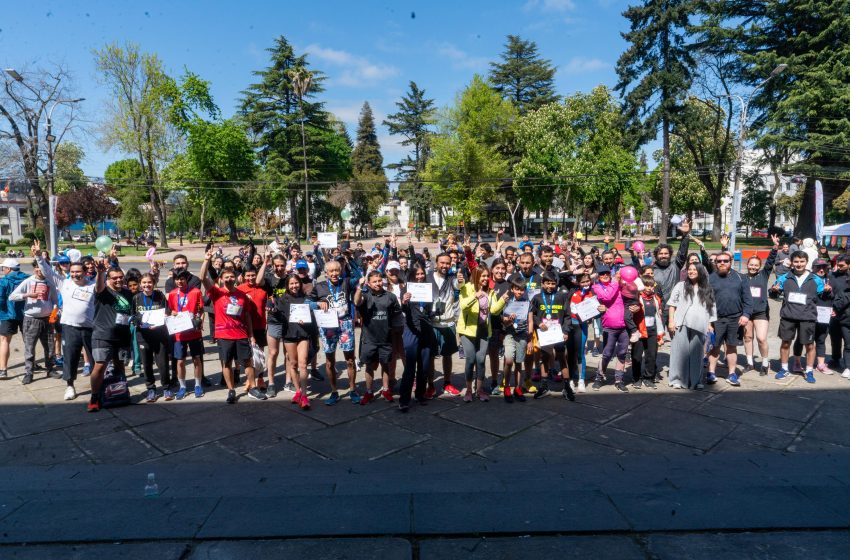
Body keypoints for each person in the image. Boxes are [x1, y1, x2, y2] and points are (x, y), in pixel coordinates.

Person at [200, 249, 265, 403]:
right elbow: (202, 278)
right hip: (224, 335)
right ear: (221, 279)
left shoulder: (242, 295)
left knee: (248, 362)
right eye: (226, 277)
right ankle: (231, 390)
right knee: (227, 363)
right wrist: (206, 260)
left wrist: (251, 335)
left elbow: (247, 316)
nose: (229, 279)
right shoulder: (217, 293)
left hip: (241, 334)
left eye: (231, 276)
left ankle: (253, 387)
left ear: (236, 278)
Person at [35, 241, 97, 401]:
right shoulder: (65, 283)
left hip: (90, 328)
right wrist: (38, 256)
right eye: (73, 271)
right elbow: (48, 272)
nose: (75, 274)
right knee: (70, 357)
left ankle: (97, 385)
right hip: (70, 328)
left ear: (86, 272)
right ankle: (70, 386)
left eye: (79, 272)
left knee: (96, 358)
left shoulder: (92, 286)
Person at [771, 251, 825, 383]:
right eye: (796, 261)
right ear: (791, 262)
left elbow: (823, 297)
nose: (799, 264)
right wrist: (774, 291)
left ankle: (809, 371)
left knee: (809, 345)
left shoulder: (816, 279)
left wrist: (828, 292)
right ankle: (784, 369)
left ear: (806, 262)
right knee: (785, 343)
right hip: (788, 316)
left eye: (801, 261)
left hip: (808, 317)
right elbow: (774, 293)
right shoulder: (784, 277)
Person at [457, 265, 508, 402]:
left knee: (480, 360)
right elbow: (463, 306)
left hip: (484, 330)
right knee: (470, 359)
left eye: (487, 276)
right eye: (483, 276)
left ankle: (479, 390)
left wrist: (503, 299)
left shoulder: (491, 291)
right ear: (476, 276)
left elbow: (495, 310)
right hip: (467, 330)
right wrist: (475, 296)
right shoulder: (467, 287)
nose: (486, 279)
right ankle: (469, 389)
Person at [312, 259, 359, 405]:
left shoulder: (345, 282)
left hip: (344, 323)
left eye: (336, 270)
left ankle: (352, 390)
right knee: (329, 361)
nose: (334, 273)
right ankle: (334, 392)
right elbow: (307, 302)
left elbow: (358, 276)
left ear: (341, 271)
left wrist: (350, 260)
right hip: (328, 326)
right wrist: (317, 303)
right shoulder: (319, 286)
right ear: (326, 273)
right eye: (331, 271)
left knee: (350, 359)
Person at [87, 259, 132, 412]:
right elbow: (99, 287)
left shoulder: (127, 293)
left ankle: (120, 392)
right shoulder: (103, 291)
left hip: (122, 336)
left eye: (121, 277)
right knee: (100, 366)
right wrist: (100, 273)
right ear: (108, 279)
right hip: (103, 335)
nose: (119, 280)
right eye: (114, 278)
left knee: (120, 365)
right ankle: (94, 397)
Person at [354, 270, 402, 405]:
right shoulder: (365, 295)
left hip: (385, 338)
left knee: (385, 365)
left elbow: (396, 312)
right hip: (369, 339)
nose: (377, 283)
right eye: (374, 281)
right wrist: (359, 287)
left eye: (379, 281)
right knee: (369, 366)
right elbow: (357, 302)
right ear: (368, 283)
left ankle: (386, 389)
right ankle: (369, 392)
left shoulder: (390, 296)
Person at [667, 264, 717, 389]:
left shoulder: (707, 288)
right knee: (679, 352)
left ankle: (696, 381)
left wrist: (710, 324)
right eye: (689, 269)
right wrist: (671, 321)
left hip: (700, 325)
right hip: (681, 324)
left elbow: (711, 307)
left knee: (697, 354)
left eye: (694, 270)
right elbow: (672, 304)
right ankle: (677, 379)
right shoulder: (680, 285)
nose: (691, 272)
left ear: (700, 272)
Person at [706, 251, 752, 386]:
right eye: (719, 261)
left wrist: (746, 315)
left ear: (730, 262)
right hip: (716, 319)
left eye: (725, 261)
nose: (722, 263)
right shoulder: (710, 278)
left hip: (735, 319)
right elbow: (706, 301)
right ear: (715, 263)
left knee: (731, 347)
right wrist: (708, 321)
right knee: (714, 347)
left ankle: (732, 374)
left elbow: (748, 299)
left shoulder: (741, 277)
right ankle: (711, 373)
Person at [8, 260, 57, 384]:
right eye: (37, 268)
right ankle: (29, 373)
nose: (39, 271)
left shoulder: (50, 282)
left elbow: (55, 301)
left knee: (50, 347)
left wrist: (55, 314)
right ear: (34, 268)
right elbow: (12, 296)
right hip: (31, 319)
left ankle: (50, 369)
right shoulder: (28, 281)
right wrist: (28, 294)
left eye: (42, 268)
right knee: (30, 348)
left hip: (47, 319)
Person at [529, 271, 574, 400]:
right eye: (547, 283)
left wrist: (566, 331)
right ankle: (544, 386)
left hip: (558, 333)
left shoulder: (561, 296)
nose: (550, 286)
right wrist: (538, 323)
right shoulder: (537, 298)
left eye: (553, 283)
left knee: (561, 357)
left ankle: (567, 387)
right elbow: (534, 315)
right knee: (545, 358)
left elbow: (567, 315)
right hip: (544, 334)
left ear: (556, 284)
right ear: (542, 284)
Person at [397, 263, 436, 411]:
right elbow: (404, 309)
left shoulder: (427, 289)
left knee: (424, 366)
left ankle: (420, 394)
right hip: (411, 330)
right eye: (417, 274)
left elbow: (428, 312)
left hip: (426, 329)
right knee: (410, 367)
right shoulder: (406, 290)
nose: (420, 277)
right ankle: (404, 399)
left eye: (422, 274)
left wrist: (436, 312)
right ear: (412, 275)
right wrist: (404, 302)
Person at [278, 274, 318, 409]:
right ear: (287, 286)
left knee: (302, 363)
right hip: (289, 335)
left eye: (296, 283)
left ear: (300, 284)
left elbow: (313, 316)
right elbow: (278, 316)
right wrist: (271, 308)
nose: (294, 286)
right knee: (293, 364)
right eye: (291, 284)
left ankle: (305, 396)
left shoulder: (306, 299)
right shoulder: (283, 299)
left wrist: (306, 320)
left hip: (303, 334)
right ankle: (298, 391)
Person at [166, 268, 205, 399]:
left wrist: (200, 322)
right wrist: (173, 313)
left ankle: (198, 384)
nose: (179, 281)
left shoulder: (196, 292)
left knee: (196, 359)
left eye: (182, 279)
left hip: (194, 332)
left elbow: (201, 311)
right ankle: (182, 386)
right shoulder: (172, 294)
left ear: (187, 279)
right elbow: (169, 311)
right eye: (177, 279)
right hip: (179, 333)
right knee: (180, 361)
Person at [743, 234, 779, 376]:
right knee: (747, 338)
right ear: (747, 265)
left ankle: (765, 362)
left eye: (756, 265)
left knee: (761, 338)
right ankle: (750, 363)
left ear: (759, 266)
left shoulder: (763, 275)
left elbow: (770, 262)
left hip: (760, 312)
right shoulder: (742, 278)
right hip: (746, 312)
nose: (753, 267)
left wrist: (775, 247)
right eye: (751, 265)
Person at [133, 273, 171, 401]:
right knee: (147, 363)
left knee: (163, 363)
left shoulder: (160, 296)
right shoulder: (136, 298)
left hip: (160, 335)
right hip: (143, 336)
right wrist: (138, 321)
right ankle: (151, 388)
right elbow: (132, 316)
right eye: (144, 282)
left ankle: (166, 388)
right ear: (140, 284)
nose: (147, 285)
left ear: (153, 283)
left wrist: (164, 318)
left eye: (149, 282)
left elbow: (167, 311)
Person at [429, 253, 462, 397]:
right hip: (431, 323)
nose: (445, 266)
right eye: (442, 262)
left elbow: (459, 285)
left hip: (448, 323)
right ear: (436, 263)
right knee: (429, 356)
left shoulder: (453, 279)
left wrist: (461, 280)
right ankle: (430, 385)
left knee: (447, 355)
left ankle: (447, 382)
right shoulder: (427, 277)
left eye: (448, 263)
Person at [592, 266, 629, 392]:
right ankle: (599, 377)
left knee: (622, 354)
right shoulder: (597, 287)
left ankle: (619, 380)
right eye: (602, 274)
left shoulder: (618, 285)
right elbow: (607, 297)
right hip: (609, 327)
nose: (605, 276)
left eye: (607, 273)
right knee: (607, 354)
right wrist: (615, 282)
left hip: (624, 327)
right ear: (598, 276)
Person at [258, 253, 290, 395]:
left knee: (288, 353)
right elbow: (258, 281)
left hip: (289, 320)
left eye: (282, 265)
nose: (279, 268)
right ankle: (271, 382)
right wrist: (265, 262)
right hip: (274, 320)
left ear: (285, 265)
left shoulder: (290, 279)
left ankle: (288, 381)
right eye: (276, 265)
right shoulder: (270, 279)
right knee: (273, 352)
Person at [630, 276, 662, 389]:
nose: (649, 288)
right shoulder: (636, 298)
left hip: (652, 331)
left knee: (651, 356)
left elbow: (658, 315)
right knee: (637, 356)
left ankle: (648, 377)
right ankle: (636, 378)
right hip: (639, 331)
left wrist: (660, 334)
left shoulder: (656, 298)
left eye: (651, 286)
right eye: (646, 285)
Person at [0, 258, 28, 379]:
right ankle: (31, 364)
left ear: (9, 269)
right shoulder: (28, 278)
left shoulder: (4, 281)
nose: (2, 270)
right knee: (28, 341)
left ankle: (3, 370)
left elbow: (0, 299)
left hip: (7, 314)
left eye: (3, 268)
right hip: (26, 313)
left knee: (5, 341)